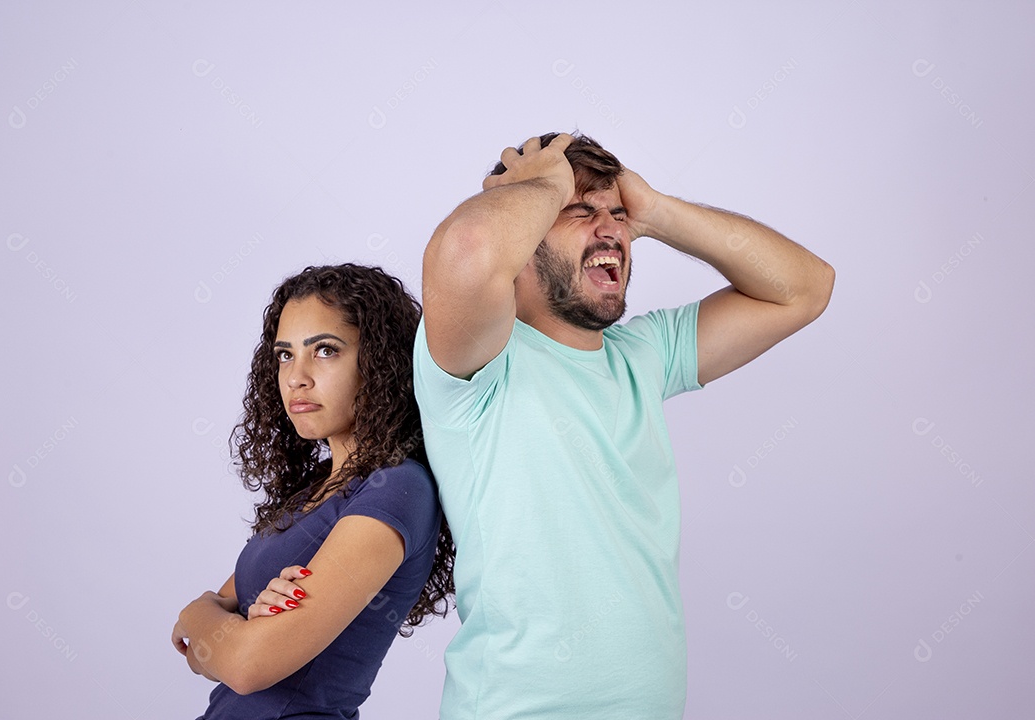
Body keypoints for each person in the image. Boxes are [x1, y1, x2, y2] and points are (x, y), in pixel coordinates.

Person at [414, 132, 834, 718]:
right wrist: (549, 181)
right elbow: (467, 247)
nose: (610, 228)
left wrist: (655, 211)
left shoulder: (643, 354)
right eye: (580, 212)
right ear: (526, 233)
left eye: (616, 215)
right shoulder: (478, 362)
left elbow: (805, 289)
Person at [172, 263, 454, 719]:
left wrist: (201, 613)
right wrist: (212, 616)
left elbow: (244, 665)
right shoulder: (317, 491)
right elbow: (201, 640)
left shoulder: (397, 489)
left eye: (324, 350)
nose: (296, 377)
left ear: (381, 361)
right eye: (285, 355)